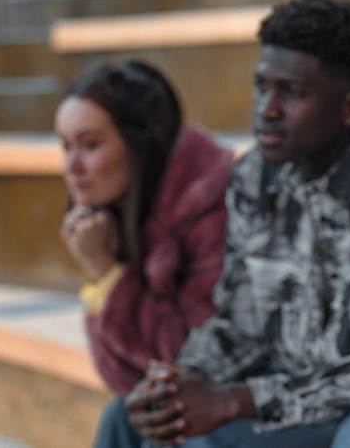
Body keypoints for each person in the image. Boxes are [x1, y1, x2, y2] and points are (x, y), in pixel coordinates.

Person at [119, 0, 350, 448]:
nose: (267, 109)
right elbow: (242, 323)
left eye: (293, 93)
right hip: (296, 396)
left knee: (209, 442)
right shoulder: (256, 174)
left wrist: (235, 400)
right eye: (262, 86)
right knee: (131, 420)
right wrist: (183, 380)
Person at [55, 59, 232, 448]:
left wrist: (108, 276)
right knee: (123, 415)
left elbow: (195, 363)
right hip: (196, 398)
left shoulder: (215, 210)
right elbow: (123, 379)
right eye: (65, 145)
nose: (72, 166)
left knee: (178, 428)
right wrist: (106, 277)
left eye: (90, 145)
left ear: (139, 147)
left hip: (263, 397)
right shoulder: (119, 215)